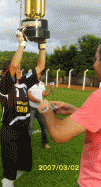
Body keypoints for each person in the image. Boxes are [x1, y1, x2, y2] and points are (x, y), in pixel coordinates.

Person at [37, 43, 101, 187]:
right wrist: (74, 109)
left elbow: (59, 133)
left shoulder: (99, 98)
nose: (94, 64)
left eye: (96, 59)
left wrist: (46, 109)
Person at [0, 27, 46, 187]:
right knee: (10, 170)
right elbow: (13, 65)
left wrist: (42, 46)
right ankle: (7, 182)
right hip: (10, 131)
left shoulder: (24, 82)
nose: (19, 69)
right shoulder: (5, 86)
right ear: (8, 72)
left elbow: (40, 67)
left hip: (23, 131)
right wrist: (22, 44)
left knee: (25, 166)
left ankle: (8, 182)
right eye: (16, 68)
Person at [28, 75, 55, 149]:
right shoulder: (29, 83)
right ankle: (26, 144)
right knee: (30, 127)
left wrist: (50, 89)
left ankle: (45, 143)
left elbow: (44, 94)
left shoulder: (42, 84)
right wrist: (39, 101)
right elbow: (29, 96)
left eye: (39, 74)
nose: (38, 76)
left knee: (44, 126)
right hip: (31, 108)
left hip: (40, 108)